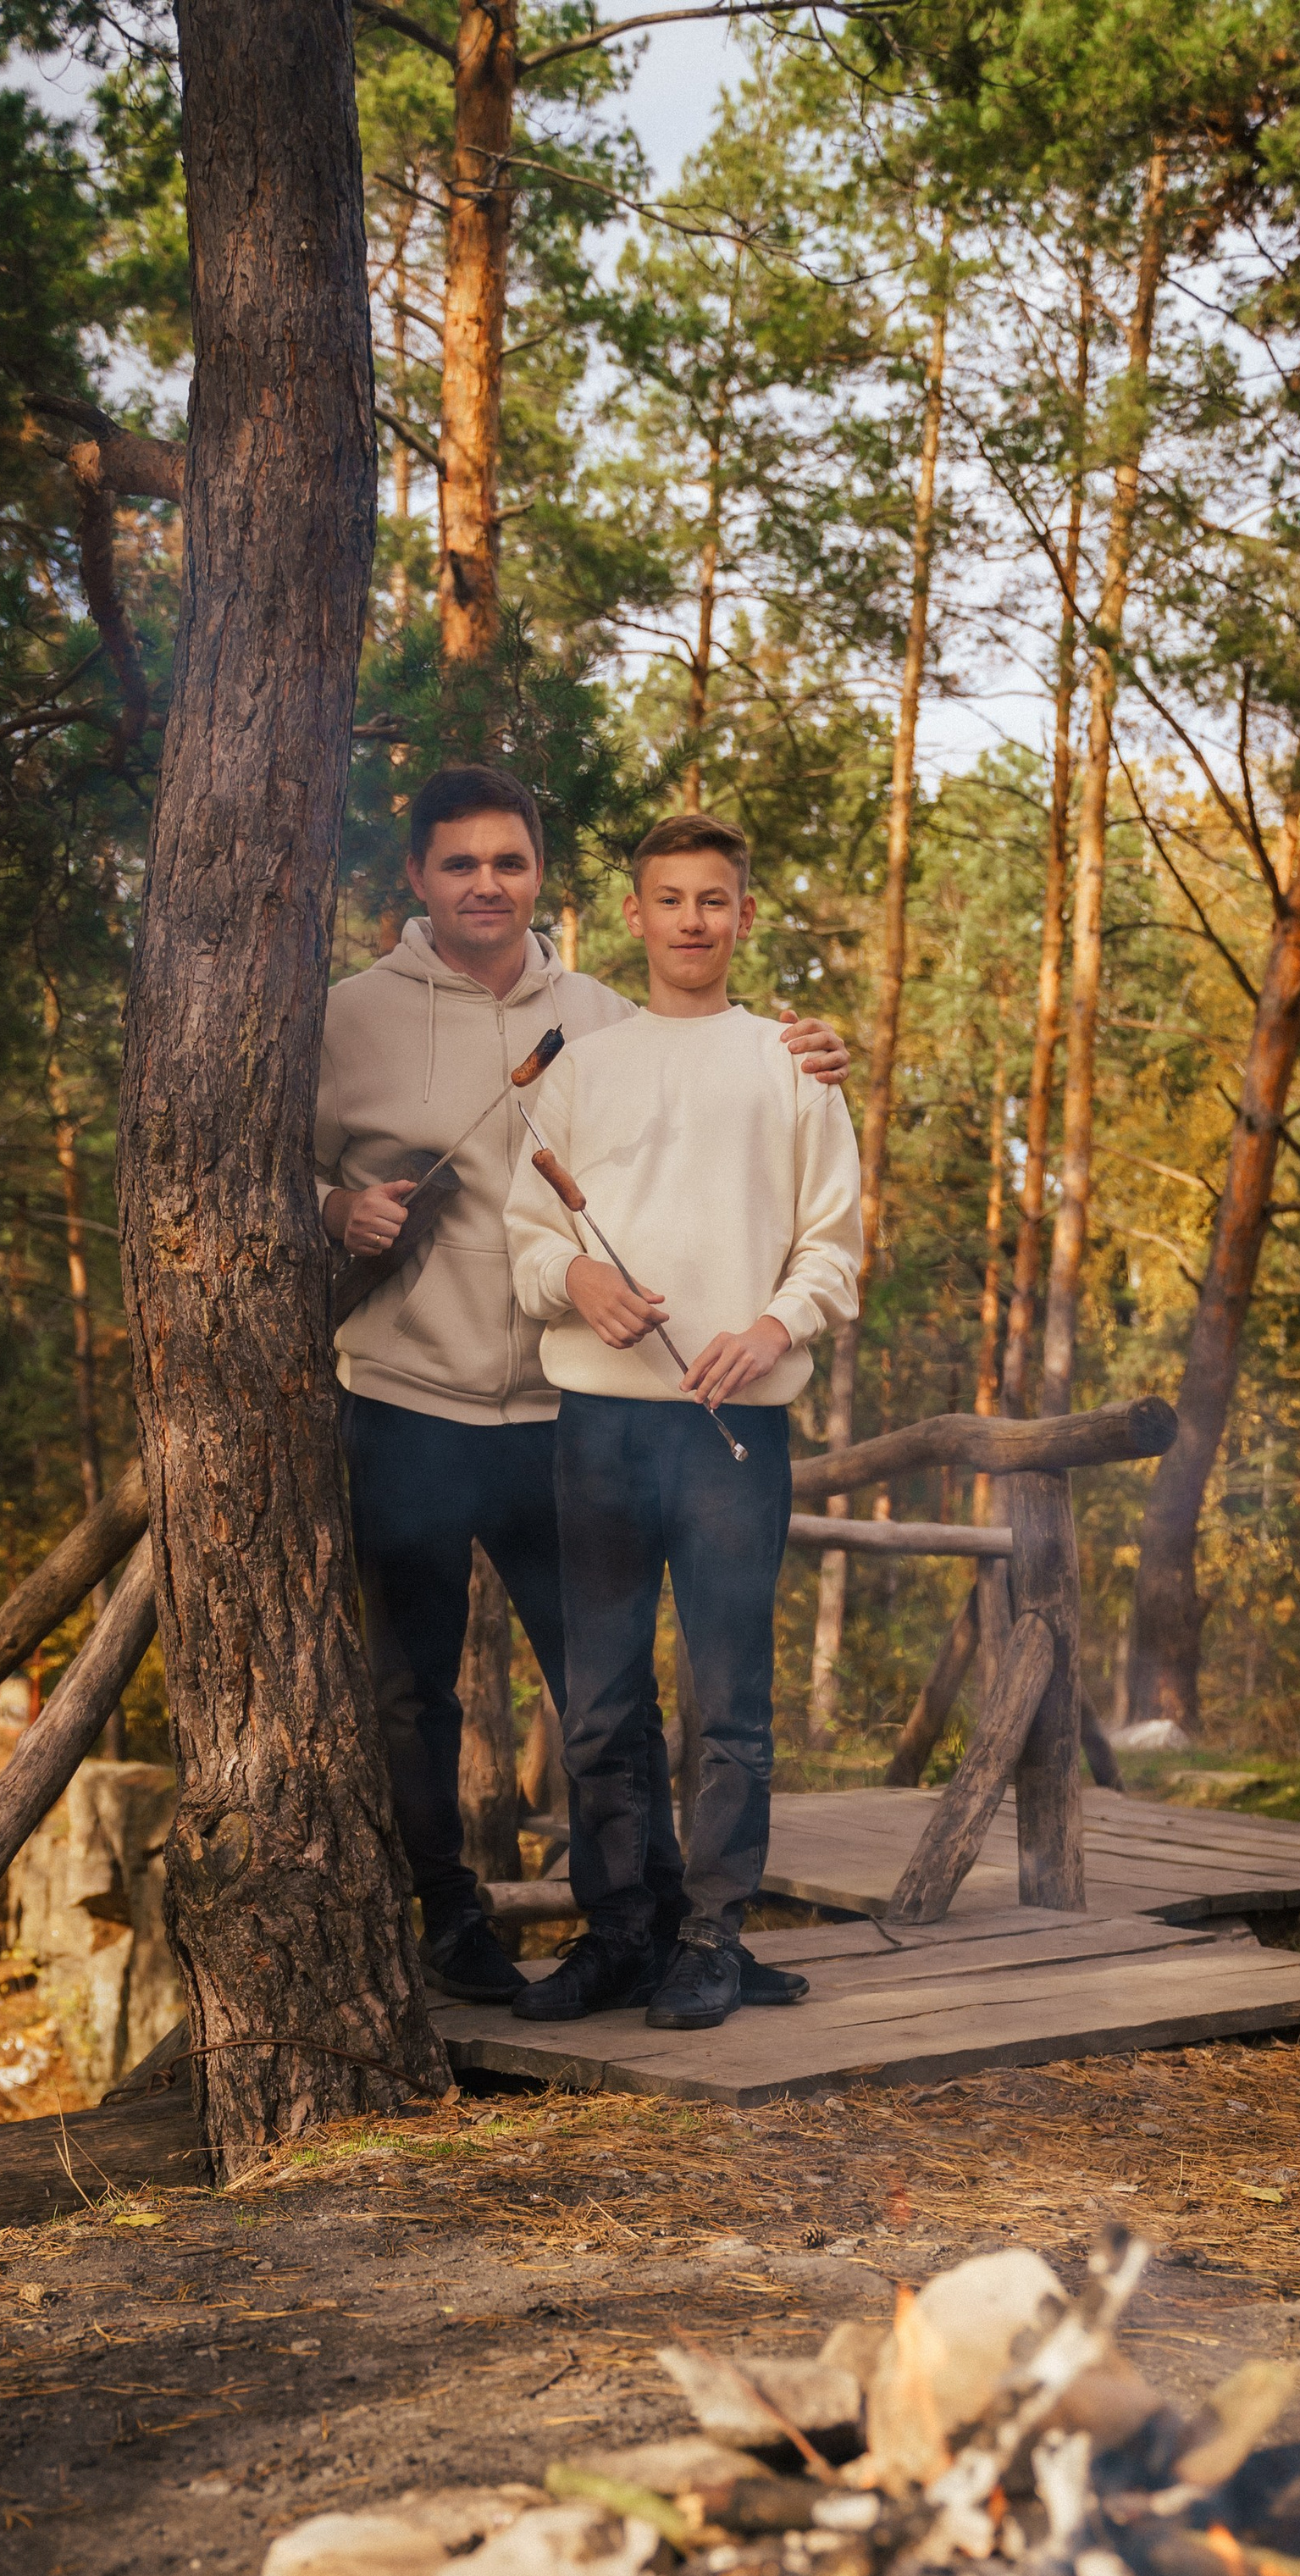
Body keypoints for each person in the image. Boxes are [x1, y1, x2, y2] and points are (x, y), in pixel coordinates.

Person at [314, 762, 849, 2004]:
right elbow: (244, 1177)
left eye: (509, 862)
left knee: (601, 1693)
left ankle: (659, 1929)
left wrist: (802, 1044)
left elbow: (715, 1062)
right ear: (416, 879)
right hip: (409, 1399)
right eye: (460, 863)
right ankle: (448, 1912)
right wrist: (335, 1207)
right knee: (413, 1688)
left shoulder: (606, 1018)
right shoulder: (348, 1019)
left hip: (569, 1417)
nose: (486, 884)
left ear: (544, 879)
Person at [503, 813, 862, 2031]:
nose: (693, 921)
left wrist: (774, 1326)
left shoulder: (793, 1065)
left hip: (736, 1430)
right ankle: (621, 1934)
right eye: (671, 899)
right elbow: (529, 1236)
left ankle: (713, 1937)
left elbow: (833, 1245)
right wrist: (577, 1281)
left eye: (715, 899)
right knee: (600, 1700)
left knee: (732, 1703)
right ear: (638, 916)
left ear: (743, 916)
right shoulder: (585, 1069)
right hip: (600, 1426)